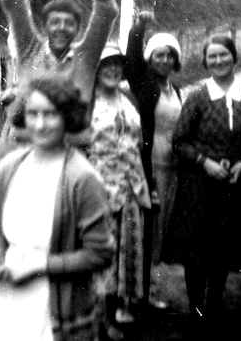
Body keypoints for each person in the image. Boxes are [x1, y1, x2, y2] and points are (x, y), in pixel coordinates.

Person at [0, 77, 113, 341]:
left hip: (56, 306)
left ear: (67, 117)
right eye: (33, 114)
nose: (40, 124)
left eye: (50, 114)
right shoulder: (9, 167)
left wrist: (38, 266)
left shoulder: (81, 178)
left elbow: (100, 254)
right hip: (8, 300)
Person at [164, 35, 241, 323]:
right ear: (205, 62)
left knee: (225, 246)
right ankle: (195, 306)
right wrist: (205, 163)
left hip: (236, 184)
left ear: (234, 57)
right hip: (200, 184)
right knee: (196, 246)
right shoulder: (198, 98)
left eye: (223, 55)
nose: (218, 61)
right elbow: (180, 142)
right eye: (212, 57)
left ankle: (214, 302)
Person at [0, 0, 118, 160]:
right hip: (21, 157)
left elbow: (106, 9)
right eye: (55, 22)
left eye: (69, 23)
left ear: (78, 29)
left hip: (70, 160)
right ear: (44, 26)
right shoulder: (30, 50)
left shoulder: (86, 58)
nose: (61, 28)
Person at [86, 44, 152, 332]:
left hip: (130, 188)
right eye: (106, 64)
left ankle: (115, 312)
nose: (113, 70)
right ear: (95, 69)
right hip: (100, 190)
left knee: (125, 253)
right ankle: (100, 320)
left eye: (117, 64)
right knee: (102, 255)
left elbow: (139, 141)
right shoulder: (87, 102)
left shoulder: (127, 97)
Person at [123, 11, 183, 309]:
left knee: (160, 234)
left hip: (172, 167)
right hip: (150, 164)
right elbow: (131, 60)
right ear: (149, 58)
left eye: (169, 56)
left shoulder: (177, 89)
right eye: (158, 55)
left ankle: (146, 292)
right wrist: (139, 28)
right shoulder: (145, 85)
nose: (164, 60)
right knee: (147, 231)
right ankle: (139, 296)